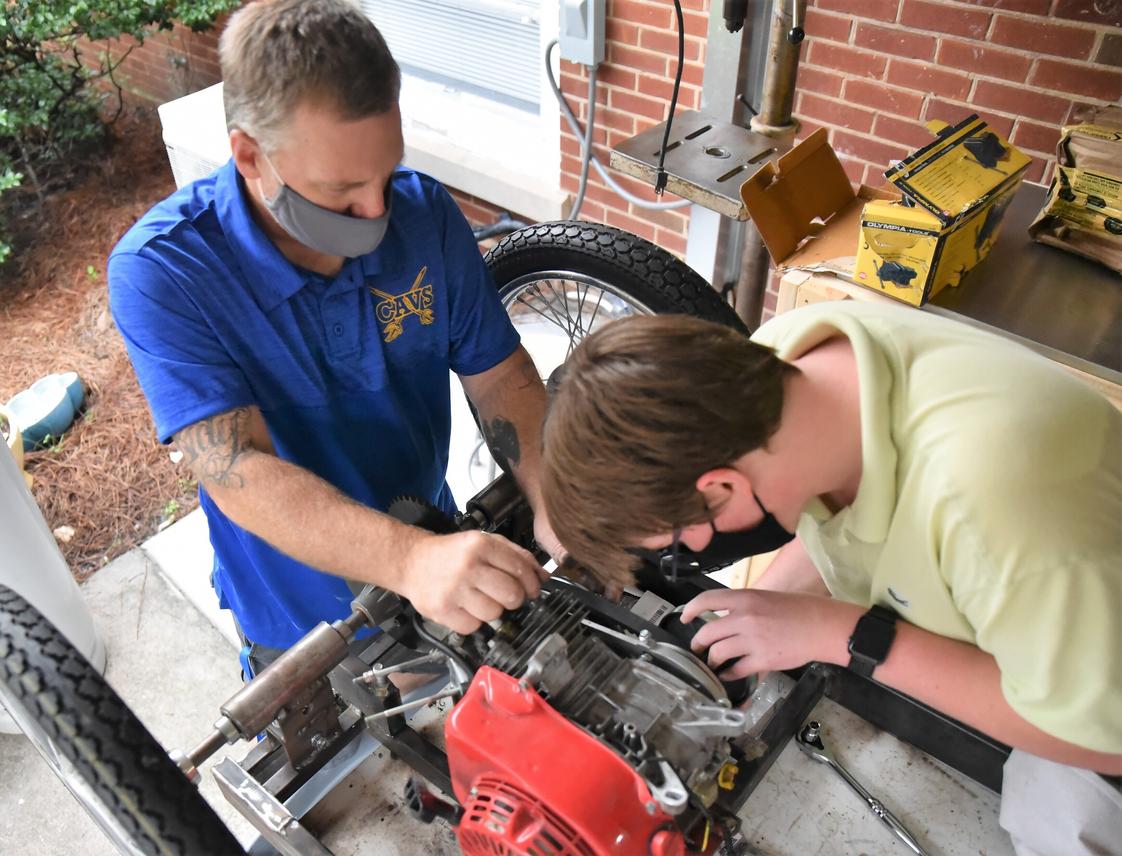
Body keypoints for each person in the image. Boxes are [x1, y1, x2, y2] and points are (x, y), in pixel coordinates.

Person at [540, 300, 1121, 854]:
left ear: (721, 489)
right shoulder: (790, 369)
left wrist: (845, 635)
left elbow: (1100, 739)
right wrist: (769, 613)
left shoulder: (988, 503)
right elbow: (839, 525)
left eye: (673, 543)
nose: (683, 555)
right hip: (1048, 611)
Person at [108, 0, 557, 676]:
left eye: (385, 173)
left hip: (431, 551)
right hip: (297, 623)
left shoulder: (422, 214)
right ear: (250, 155)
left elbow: (497, 373)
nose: (378, 211)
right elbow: (238, 472)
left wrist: (554, 498)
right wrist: (407, 560)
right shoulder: (165, 272)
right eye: (344, 193)